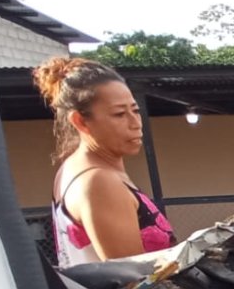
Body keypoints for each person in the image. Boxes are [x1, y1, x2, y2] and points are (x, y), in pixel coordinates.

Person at [33, 57, 175, 268]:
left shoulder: (74, 169)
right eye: (119, 114)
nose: (136, 124)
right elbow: (134, 281)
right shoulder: (98, 181)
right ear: (80, 121)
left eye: (135, 111)